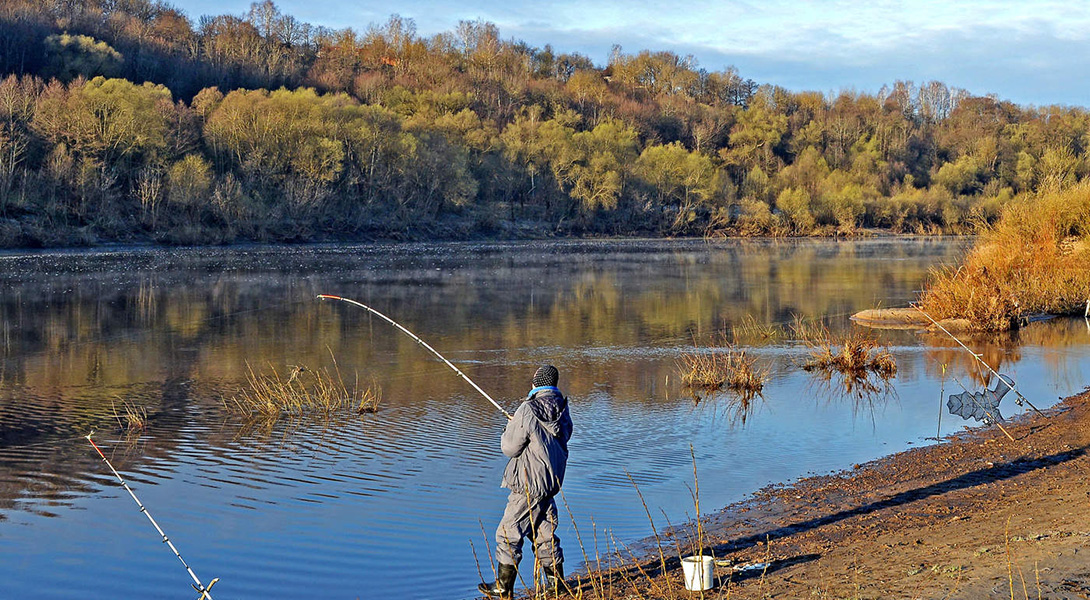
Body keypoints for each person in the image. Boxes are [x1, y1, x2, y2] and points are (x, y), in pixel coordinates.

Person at [479, 365, 574, 598]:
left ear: (536, 384)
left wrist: (510, 427)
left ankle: (503, 587)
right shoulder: (562, 408)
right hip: (550, 482)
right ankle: (556, 584)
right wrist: (522, 425)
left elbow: (509, 448)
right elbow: (562, 434)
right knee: (544, 533)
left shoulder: (528, 409)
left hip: (529, 483)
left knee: (508, 532)